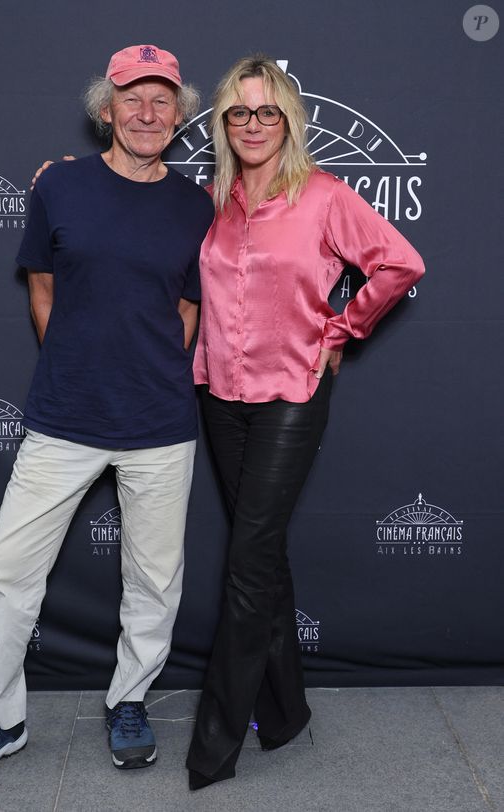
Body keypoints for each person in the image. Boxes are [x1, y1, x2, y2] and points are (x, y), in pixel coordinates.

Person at [0, 44, 214, 788]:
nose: (147, 113)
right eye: (133, 98)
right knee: (7, 570)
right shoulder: (58, 186)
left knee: (154, 580)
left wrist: (145, 369)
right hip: (63, 414)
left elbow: (187, 306)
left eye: (162, 101)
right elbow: (43, 289)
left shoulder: (196, 204)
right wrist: (81, 364)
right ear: (105, 111)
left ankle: (129, 701)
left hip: (158, 422)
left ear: (180, 117)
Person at [185, 55, 425, 790]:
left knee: (248, 557)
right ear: (224, 123)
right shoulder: (210, 199)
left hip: (292, 391)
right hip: (219, 391)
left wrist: (339, 329)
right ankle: (285, 715)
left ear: (289, 119)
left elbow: (400, 263)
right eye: (238, 112)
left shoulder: (322, 195)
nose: (252, 124)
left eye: (267, 111)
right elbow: (133, 204)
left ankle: (213, 746)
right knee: (262, 556)